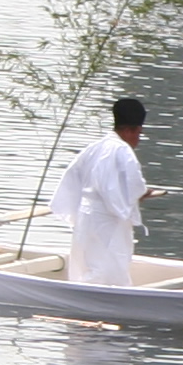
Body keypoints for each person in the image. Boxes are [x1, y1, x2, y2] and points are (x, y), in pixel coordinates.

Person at [49, 98, 152, 286]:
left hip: (86, 215)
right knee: (109, 265)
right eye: (138, 133)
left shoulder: (94, 147)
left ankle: (83, 289)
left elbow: (73, 177)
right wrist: (140, 194)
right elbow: (134, 185)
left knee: (87, 261)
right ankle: (108, 294)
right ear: (129, 130)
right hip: (108, 219)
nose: (138, 139)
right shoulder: (123, 150)